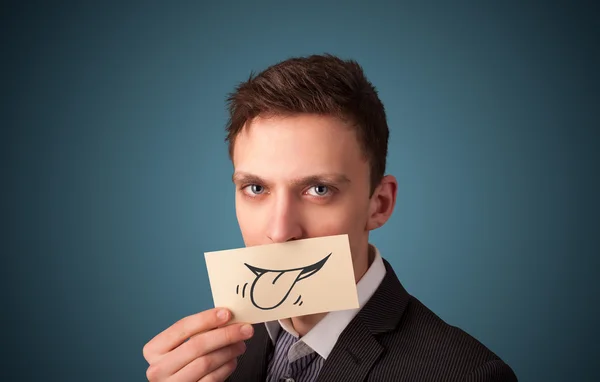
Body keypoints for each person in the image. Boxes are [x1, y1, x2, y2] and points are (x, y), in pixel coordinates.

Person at [143, 54, 517, 381]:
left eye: (318, 190)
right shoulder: (210, 366)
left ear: (380, 204)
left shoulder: (465, 375)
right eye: (256, 188)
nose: (280, 231)